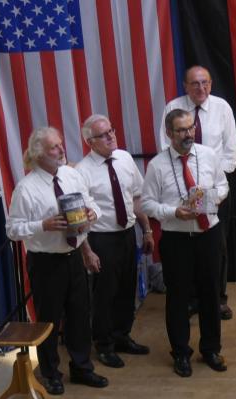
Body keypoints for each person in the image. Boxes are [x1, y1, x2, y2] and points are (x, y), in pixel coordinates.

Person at [5, 127, 108, 395]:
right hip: (46, 263)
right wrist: (43, 225)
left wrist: (92, 214)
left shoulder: (71, 175)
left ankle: (82, 367)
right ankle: (50, 373)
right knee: (49, 319)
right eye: (54, 147)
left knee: (79, 315)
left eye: (61, 144)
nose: (62, 150)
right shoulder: (25, 189)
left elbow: (92, 204)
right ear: (38, 154)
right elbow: (13, 229)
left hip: (74, 256)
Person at [142, 109, 229, 377]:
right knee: (178, 298)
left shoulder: (208, 155)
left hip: (209, 234)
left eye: (191, 128)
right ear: (169, 133)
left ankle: (211, 348)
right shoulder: (157, 165)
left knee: (210, 293)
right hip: (177, 239)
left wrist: (210, 199)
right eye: (181, 130)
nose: (188, 134)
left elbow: (224, 185)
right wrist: (173, 212)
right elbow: (146, 203)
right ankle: (181, 352)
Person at [75, 114, 154, 369]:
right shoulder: (82, 172)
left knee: (126, 289)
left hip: (127, 233)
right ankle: (104, 344)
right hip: (101, 238)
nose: (110, 136)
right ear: (90, 141)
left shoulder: (125, 158)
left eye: (112, 130)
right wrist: (86, 250)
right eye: (103, 134)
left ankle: (122, 335)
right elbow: (79, 218)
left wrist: (147, 230)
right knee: (104, 294)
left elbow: (136, 198)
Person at [160, 66, 236, 320]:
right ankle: (193, 298)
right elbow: (165, 146)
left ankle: (218, 298)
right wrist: (187, 183)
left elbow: (230, 151)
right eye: (194, 83)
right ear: (185, 86)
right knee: (188, 244)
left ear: (211, 84)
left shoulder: (222, 108)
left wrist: (211, 179)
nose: (200, 88)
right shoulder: (173, 108)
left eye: (205, 83)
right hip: (181, 187)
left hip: (215, 188)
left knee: (217, 245)